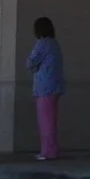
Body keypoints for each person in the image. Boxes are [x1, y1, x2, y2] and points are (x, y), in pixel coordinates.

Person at [26, 17, 64, 161]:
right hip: (54, 86)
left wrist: (34, 67)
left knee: (45, 121)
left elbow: (30, 62)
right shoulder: (54, 44)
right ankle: (49, 149)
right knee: (50, 120)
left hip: (44, 87)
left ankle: (48, 151)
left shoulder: (42, 44)